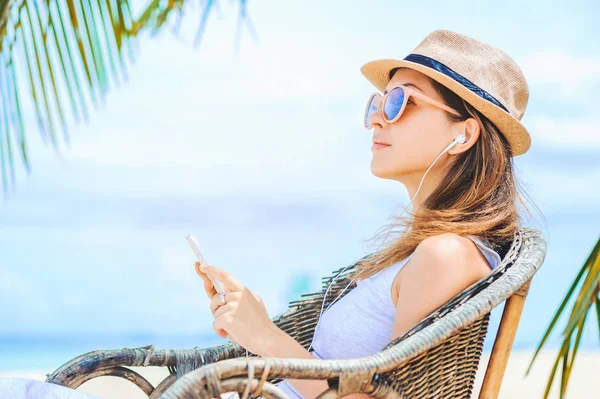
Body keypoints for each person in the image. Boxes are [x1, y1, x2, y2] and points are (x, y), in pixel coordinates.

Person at [194, 29, 538, 399]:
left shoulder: (446, 256)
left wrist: (265, 336)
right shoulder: (425, 252)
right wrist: (254, 323)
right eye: (377, 103)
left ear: (464, 134)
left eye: (400, 101)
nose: (376, 119)